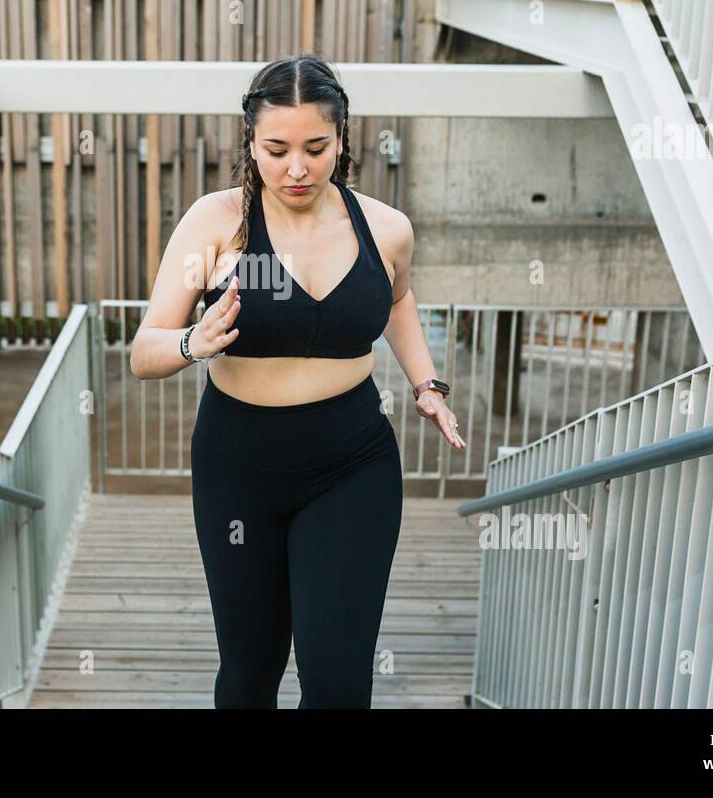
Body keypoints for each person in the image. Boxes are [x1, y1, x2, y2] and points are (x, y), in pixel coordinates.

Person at [129, 53, 465, 708]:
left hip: (353, 467)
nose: (297, 168)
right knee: (250, 675)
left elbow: (396, 298)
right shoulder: (216, 223)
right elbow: (144, 350)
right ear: (250, 143)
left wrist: (427, 384)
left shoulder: (386, 228)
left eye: (316, 147)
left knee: (339, 686)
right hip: (238, 469)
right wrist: (191, 343)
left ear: (342, 138)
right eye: (276, 148)